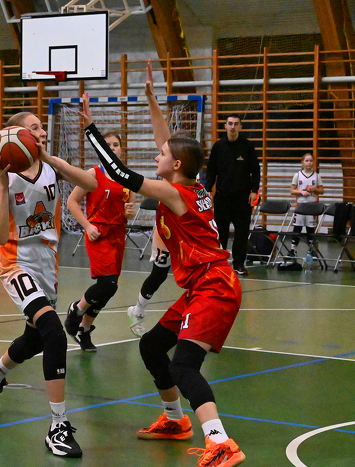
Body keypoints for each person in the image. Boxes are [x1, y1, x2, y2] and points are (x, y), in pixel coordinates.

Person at [83, 61, 245, 466]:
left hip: (215, 287)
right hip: (203, 286)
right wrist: (152, 100)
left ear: (174, 166)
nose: (157, 153)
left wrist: (92, 132)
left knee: (185, 366)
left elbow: (121, 173)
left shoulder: (175, 194)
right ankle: (175, 421)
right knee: (152, 345)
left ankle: (221, 444)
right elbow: (168, 142)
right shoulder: (189, 182)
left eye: (161, 154)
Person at [0, 112, 96, 459]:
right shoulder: (3, 178)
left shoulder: (50, 167)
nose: (41, 132)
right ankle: (58, 425)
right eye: (34, 128)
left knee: (34, 339)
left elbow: (90, 183)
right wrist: (0, 183)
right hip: (16, 262)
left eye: (42, 127)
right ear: (17, 137)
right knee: (54, 333)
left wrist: (49, 158)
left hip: (47, 260)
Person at [64, 131, 136, 351]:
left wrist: (130, 212)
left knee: (110, 288)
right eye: (107, 145)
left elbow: (130, 209)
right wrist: (87, 225)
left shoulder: (128, 177)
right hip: (98, 233)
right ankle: (76, 310)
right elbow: (72, 201)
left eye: (115, 144)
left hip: (118, 235)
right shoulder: (93, 174)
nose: (112, 148)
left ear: (121, 149)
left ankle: (84, 329)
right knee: (107, 283)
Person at [205, 114, 260, 275]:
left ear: (240, 126)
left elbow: (256, 171)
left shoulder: (247, 146)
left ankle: (239, 264)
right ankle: (219, 264)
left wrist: (254, 191)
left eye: (236, 124)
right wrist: (208, 189)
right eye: (230, 123)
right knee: (220, 232)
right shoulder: (218, 147)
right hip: (222, 197)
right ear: (225, 126)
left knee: (242, 233)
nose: (233, 127)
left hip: (242, 198)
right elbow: (211, 170)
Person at [126, 228, 172, 337]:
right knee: (159, 274)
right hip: (167, 231)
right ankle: (138, 312)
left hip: (191, 230)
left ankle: (194, 318)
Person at [288, 152, 324, 256]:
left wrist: (315, 189)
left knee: (310, 229)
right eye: (307, 160)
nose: (309, 163)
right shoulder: (297, 175)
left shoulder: (316, 176)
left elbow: (322, 190)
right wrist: (301, 191)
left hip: (312, 206)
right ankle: (293, 250)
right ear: (302, 162)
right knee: (297, 227)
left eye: (311, 160)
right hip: (301, 205)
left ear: (313, 162)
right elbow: (292, 190)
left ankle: (311, 250)